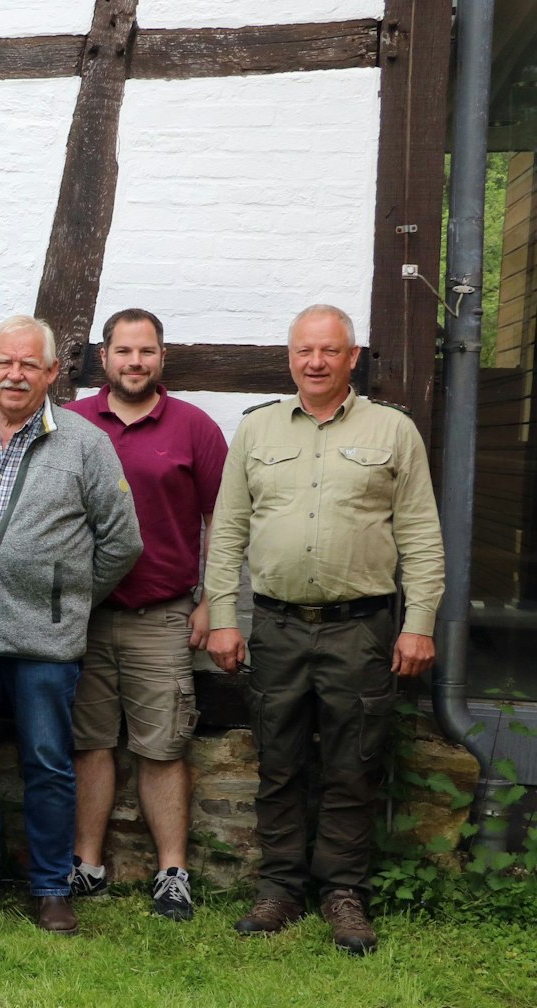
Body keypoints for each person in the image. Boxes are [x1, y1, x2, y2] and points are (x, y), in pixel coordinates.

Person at [205, 304, 444, 955]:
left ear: (352, 357)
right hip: (276, 626)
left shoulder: (393, 430)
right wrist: (222, 616)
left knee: (353, 763)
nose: (315, 362)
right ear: (290, 357)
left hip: (360, 628)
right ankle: (280, 887)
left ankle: (343, 892)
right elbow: (227, 532)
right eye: (304, 350)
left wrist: (419, 623)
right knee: (278, 761)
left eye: (329, 350)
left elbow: (421, 536)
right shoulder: (256, 430)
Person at [0, 315, 141, 937]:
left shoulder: (84, 443)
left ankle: (50, 888)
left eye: (29, 365)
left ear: (51, 374)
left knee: (47, 763)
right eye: (5, 363)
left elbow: (122, 541)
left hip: (47, 640)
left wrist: (68, 598)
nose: (15, 375)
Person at [61, 308, 227, 921]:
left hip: (162, 614)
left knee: (163, 745)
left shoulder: (193, 427)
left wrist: (212, 600)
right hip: (83, 614)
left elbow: (223, 519)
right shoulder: (73, 422)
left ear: (162, 358)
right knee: (89, 742)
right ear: (103, 358)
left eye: (147, 351)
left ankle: (172, 873)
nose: (135, 362)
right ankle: (87, 866)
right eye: (124, 351)